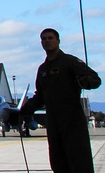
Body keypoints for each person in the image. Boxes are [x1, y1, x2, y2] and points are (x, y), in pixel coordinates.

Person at [20, 28, 101, 173]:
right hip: (53, 123)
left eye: (50, 38)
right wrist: (24, 110)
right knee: (58, 163)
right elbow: (40, 97)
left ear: (58, 41)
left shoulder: (70, 62)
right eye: (44, 39)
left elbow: (95, 80)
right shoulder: (43, 69)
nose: (47, 41)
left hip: (73, 122)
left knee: (79, 163)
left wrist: (85, 81)